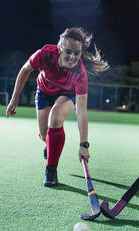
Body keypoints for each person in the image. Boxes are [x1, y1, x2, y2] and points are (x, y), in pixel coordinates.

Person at [6, 27, 108, 187]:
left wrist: (84, 144)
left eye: (77, 52)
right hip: (44, 91)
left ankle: (51, 171)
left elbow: (81, 111)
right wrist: (14, 99)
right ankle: (49, 144)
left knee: (55, 118)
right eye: (68, 51)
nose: (73, 57)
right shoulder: (45, 53)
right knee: (44, 134)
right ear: (60, 48)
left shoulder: (80, 72)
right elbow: (25, 70)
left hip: (67, 95)